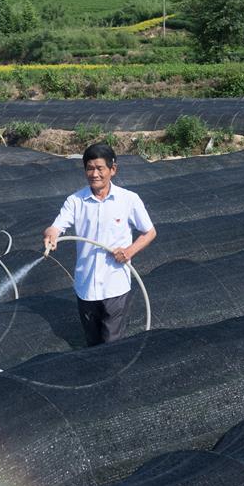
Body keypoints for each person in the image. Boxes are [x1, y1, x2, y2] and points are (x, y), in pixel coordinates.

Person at [43, 143, 156, 346]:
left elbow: (149, 232)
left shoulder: (128, 200)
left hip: (115, 286)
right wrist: (52, 234)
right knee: (93, 344)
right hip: (85, 287)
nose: (94, 174)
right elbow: (57, 226)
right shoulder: (76, 201)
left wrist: (129, 251)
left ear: (112, 169)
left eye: (99, 168)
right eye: (89, 168)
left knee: (111, 345)